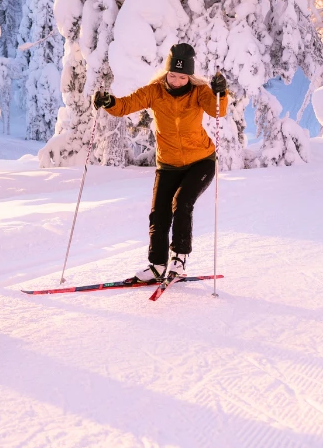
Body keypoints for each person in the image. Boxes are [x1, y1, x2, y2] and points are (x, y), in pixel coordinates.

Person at [93, 43, 228, 283]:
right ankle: (156, 265)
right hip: (168, 164)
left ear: (190, 76)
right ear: (166, 72)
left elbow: (217, 110)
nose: (176, 81)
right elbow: (125, 105)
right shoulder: (154, 91)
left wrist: (221, 93)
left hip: (201, 161)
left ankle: (179, 259)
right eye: (172, 75)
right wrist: (108, 102)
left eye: (182, 76)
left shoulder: (199, 92)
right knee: (159, 214)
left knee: (182, 202)